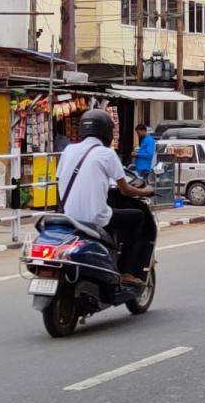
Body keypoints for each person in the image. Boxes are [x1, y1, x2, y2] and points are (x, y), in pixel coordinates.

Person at [57, 109, 154, 287]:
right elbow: (125, 190)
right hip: (96, 219)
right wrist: (145, 191)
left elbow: (60, 180)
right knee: (137, 217)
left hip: (68, 217)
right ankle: (126, 271)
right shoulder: (107, 154)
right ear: (106, 132)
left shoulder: (68, 150)